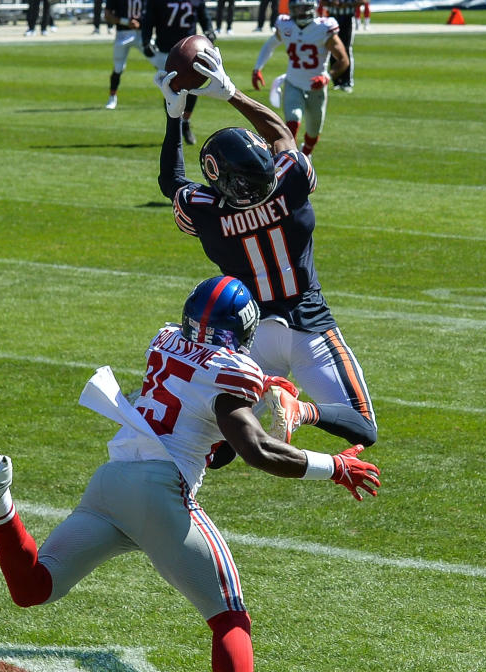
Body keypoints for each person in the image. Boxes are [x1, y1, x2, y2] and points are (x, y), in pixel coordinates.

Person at [0, 276, 379, 672]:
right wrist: (334, 466)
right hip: (161, 490)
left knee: (34, 588)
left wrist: (260, 403)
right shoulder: (234, 369)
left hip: (113, 481)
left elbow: (211, 426)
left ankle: (0, 501)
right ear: (244, 330)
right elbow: (255, 450)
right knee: (229, 616)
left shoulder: (166, 338)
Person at [156, 49, 377, 449]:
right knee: (362, 424)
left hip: (250, 332)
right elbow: (282, 136)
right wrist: (232, 93)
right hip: (309, 320)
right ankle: (301, 411)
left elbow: (171, 181)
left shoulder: (207, 212)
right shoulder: (290, 178)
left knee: (217, 444)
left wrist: (174, 115)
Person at [251, 0, 349, 155]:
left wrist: (327, 77)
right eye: (297, 8)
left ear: (312, 8)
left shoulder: (323, 28)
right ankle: (290, 158)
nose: (300, 12)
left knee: (313, 131)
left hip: (316, 87)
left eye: (304, 8)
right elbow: (269, 45)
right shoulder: (286, 25)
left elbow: (343, 60)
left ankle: (306, 153)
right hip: (293, 83)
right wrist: (258, 68)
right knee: (292, 122)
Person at [142, 0, 216, 144]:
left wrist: (209, 30)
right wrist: (146, 40)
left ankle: (185, 122)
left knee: (193, 86)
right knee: (169, 88)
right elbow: (149, 19)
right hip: (166, 49)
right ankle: (174, 125)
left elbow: (203, 15)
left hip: (190, 51)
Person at [103, 0, 146, 109]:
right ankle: (112, 97)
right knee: (118, 68)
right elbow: (107, 15)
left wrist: (142, 22)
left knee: (160, 63)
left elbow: (155, 12)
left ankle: (172, 94)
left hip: (143, 34)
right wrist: (126, 22)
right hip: (123, 34)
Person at [323, 0, 355, 90]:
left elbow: (363, 1)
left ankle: (347, 81)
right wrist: (331, 3)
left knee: (346, 49)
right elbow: (321, 2)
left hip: (347, 18)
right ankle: (335, 80)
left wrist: (347, 4)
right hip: (332, 18)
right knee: (332, 49)